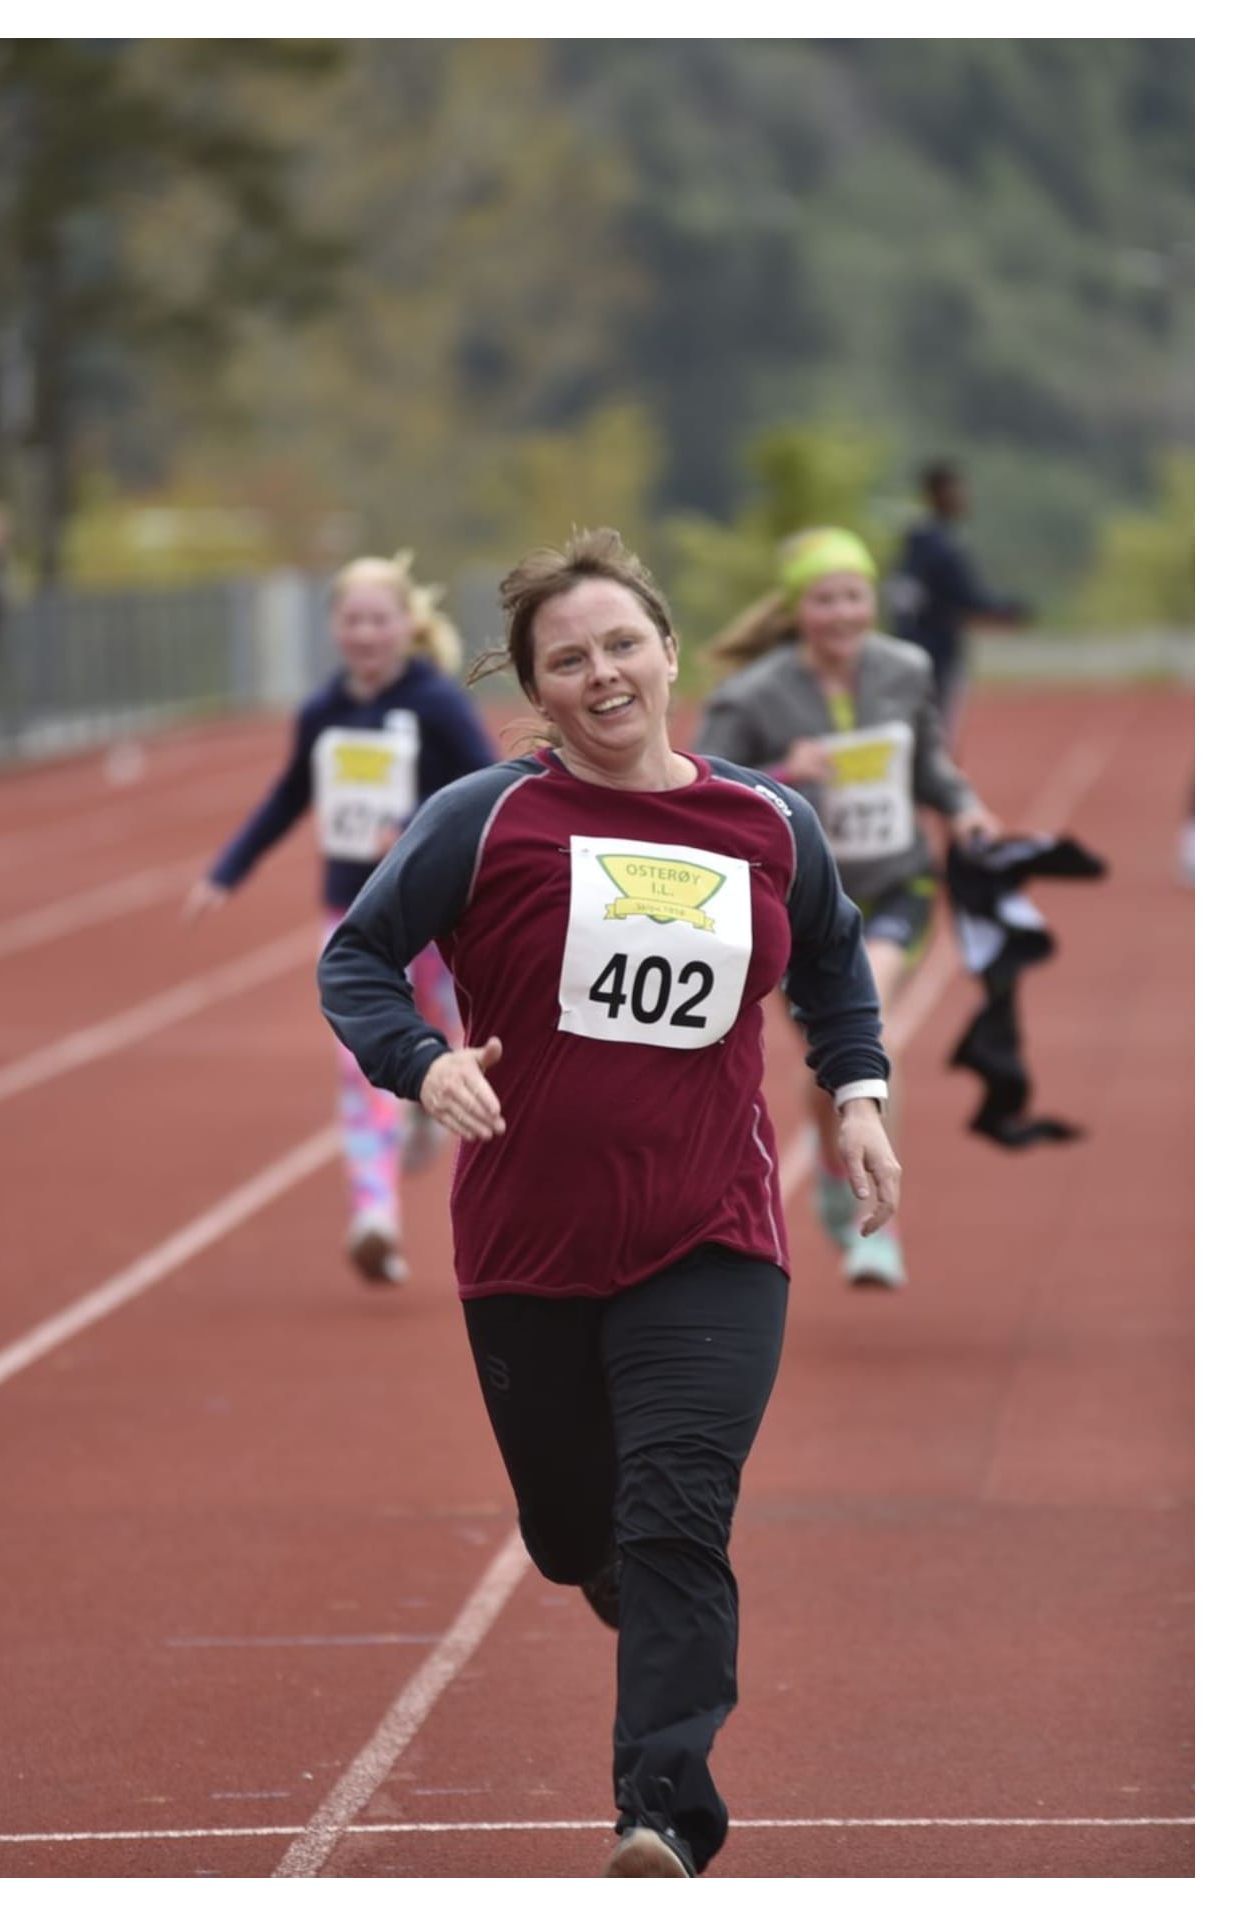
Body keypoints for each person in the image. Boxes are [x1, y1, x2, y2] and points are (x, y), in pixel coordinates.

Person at [320, 528, 898, 1879]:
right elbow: (357, 959)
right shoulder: (486, 818)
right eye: (570, 659)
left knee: (679, 1510)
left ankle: (662, 1816)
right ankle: (610, 1575)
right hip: (529, 1241)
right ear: (539, 689)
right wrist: (423, 1060)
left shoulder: (769, 821)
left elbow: (831, 960)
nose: (604, 674)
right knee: (577, 1530)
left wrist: (860, 1094)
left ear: (670, 652)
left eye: (624, 644)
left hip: (712, 1234)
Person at [697, 526, 1000, 1289]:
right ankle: (836, 1175)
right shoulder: (752, 695)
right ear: (797, 608)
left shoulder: (905, 669)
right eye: (824, 599)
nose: (842, 613)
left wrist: (963, 807)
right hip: (800, 904)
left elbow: (928, 761)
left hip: (897, 884)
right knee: (825, 1062)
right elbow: (704, 791)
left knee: (872, 1036)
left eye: (854, 596)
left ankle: (877, 1226)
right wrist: (779, 770)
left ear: (873, 600)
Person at [187, 552, 497, 1282]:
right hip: (357, 917)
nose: (365, 633)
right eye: (352, 620)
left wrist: (416, 831)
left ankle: (423, 1106)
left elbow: (490, 789)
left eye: (378, 619)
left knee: (446, 1037)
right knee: (361, 1059)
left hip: (437, 915)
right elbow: (288, 795)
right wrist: (227, 870)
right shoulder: (323, 711)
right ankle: (374, 1216)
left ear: (407, 625)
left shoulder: (438, 704)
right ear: (333, 627)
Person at [893, 460, 1027, 727]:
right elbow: (966, 596)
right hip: (938, 650)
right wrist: (1008, 609)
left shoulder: (916, 540)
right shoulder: (942, 545)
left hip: (913, 647)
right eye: (956, 490)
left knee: (920, 723)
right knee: (937, 726)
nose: (964, 497)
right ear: (935, 494)